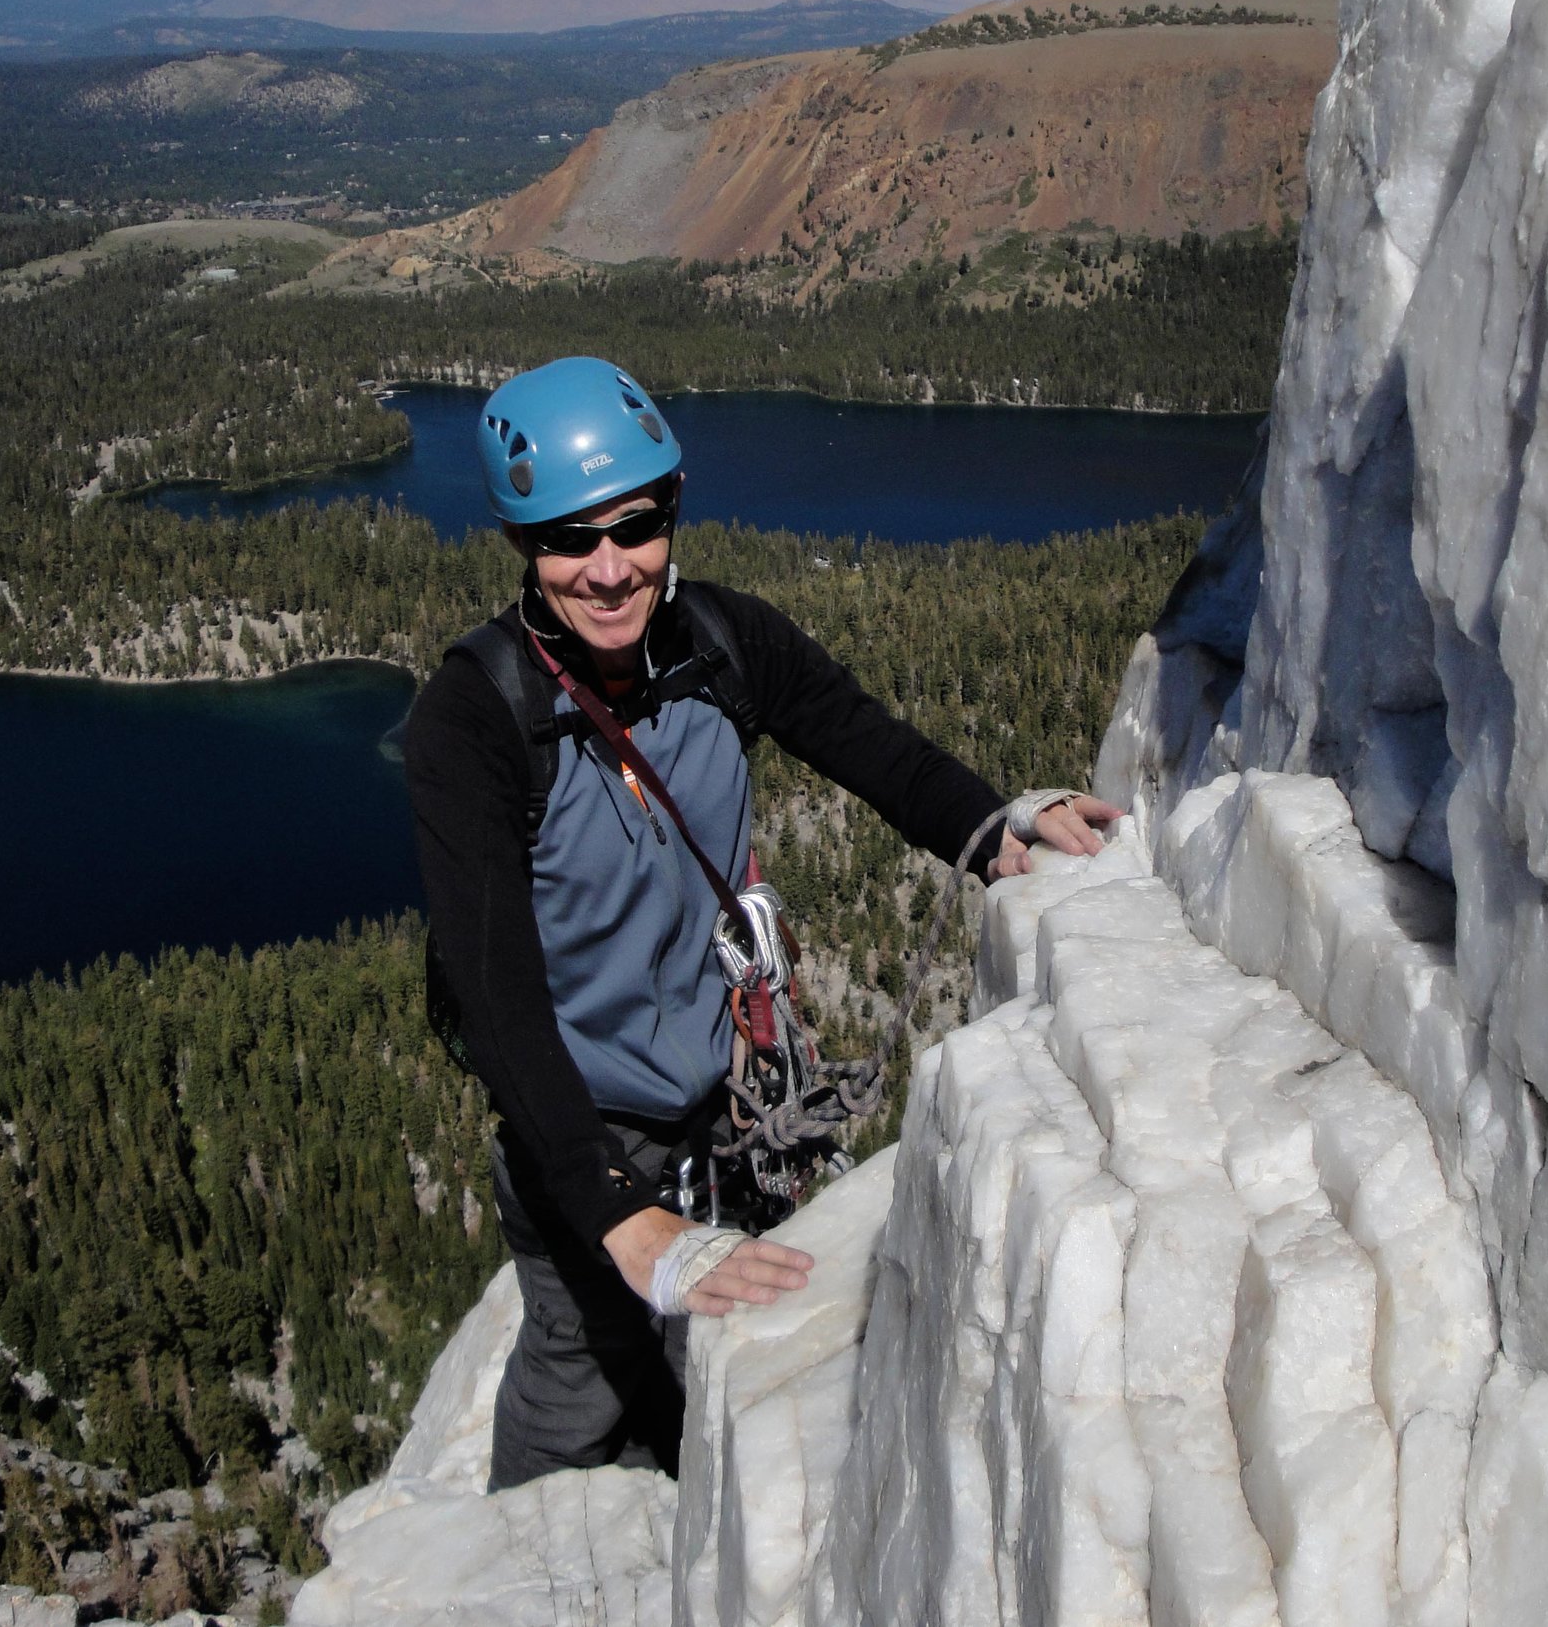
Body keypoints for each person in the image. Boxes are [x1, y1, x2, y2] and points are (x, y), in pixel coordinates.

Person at [404, 355, 1119, 1490]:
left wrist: (992, 827)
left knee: (696, 1356)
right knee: (577, 1365)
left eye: (632, 528)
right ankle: (531, 1556)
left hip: (715, 1102)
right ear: (520, 546)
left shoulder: (723, 648)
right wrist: (615, 1215)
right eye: (564, 540)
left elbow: (862, 739)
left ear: (672, 511)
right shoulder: (473, 725)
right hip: (580, 1126)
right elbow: (497, 995)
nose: (605, 570)